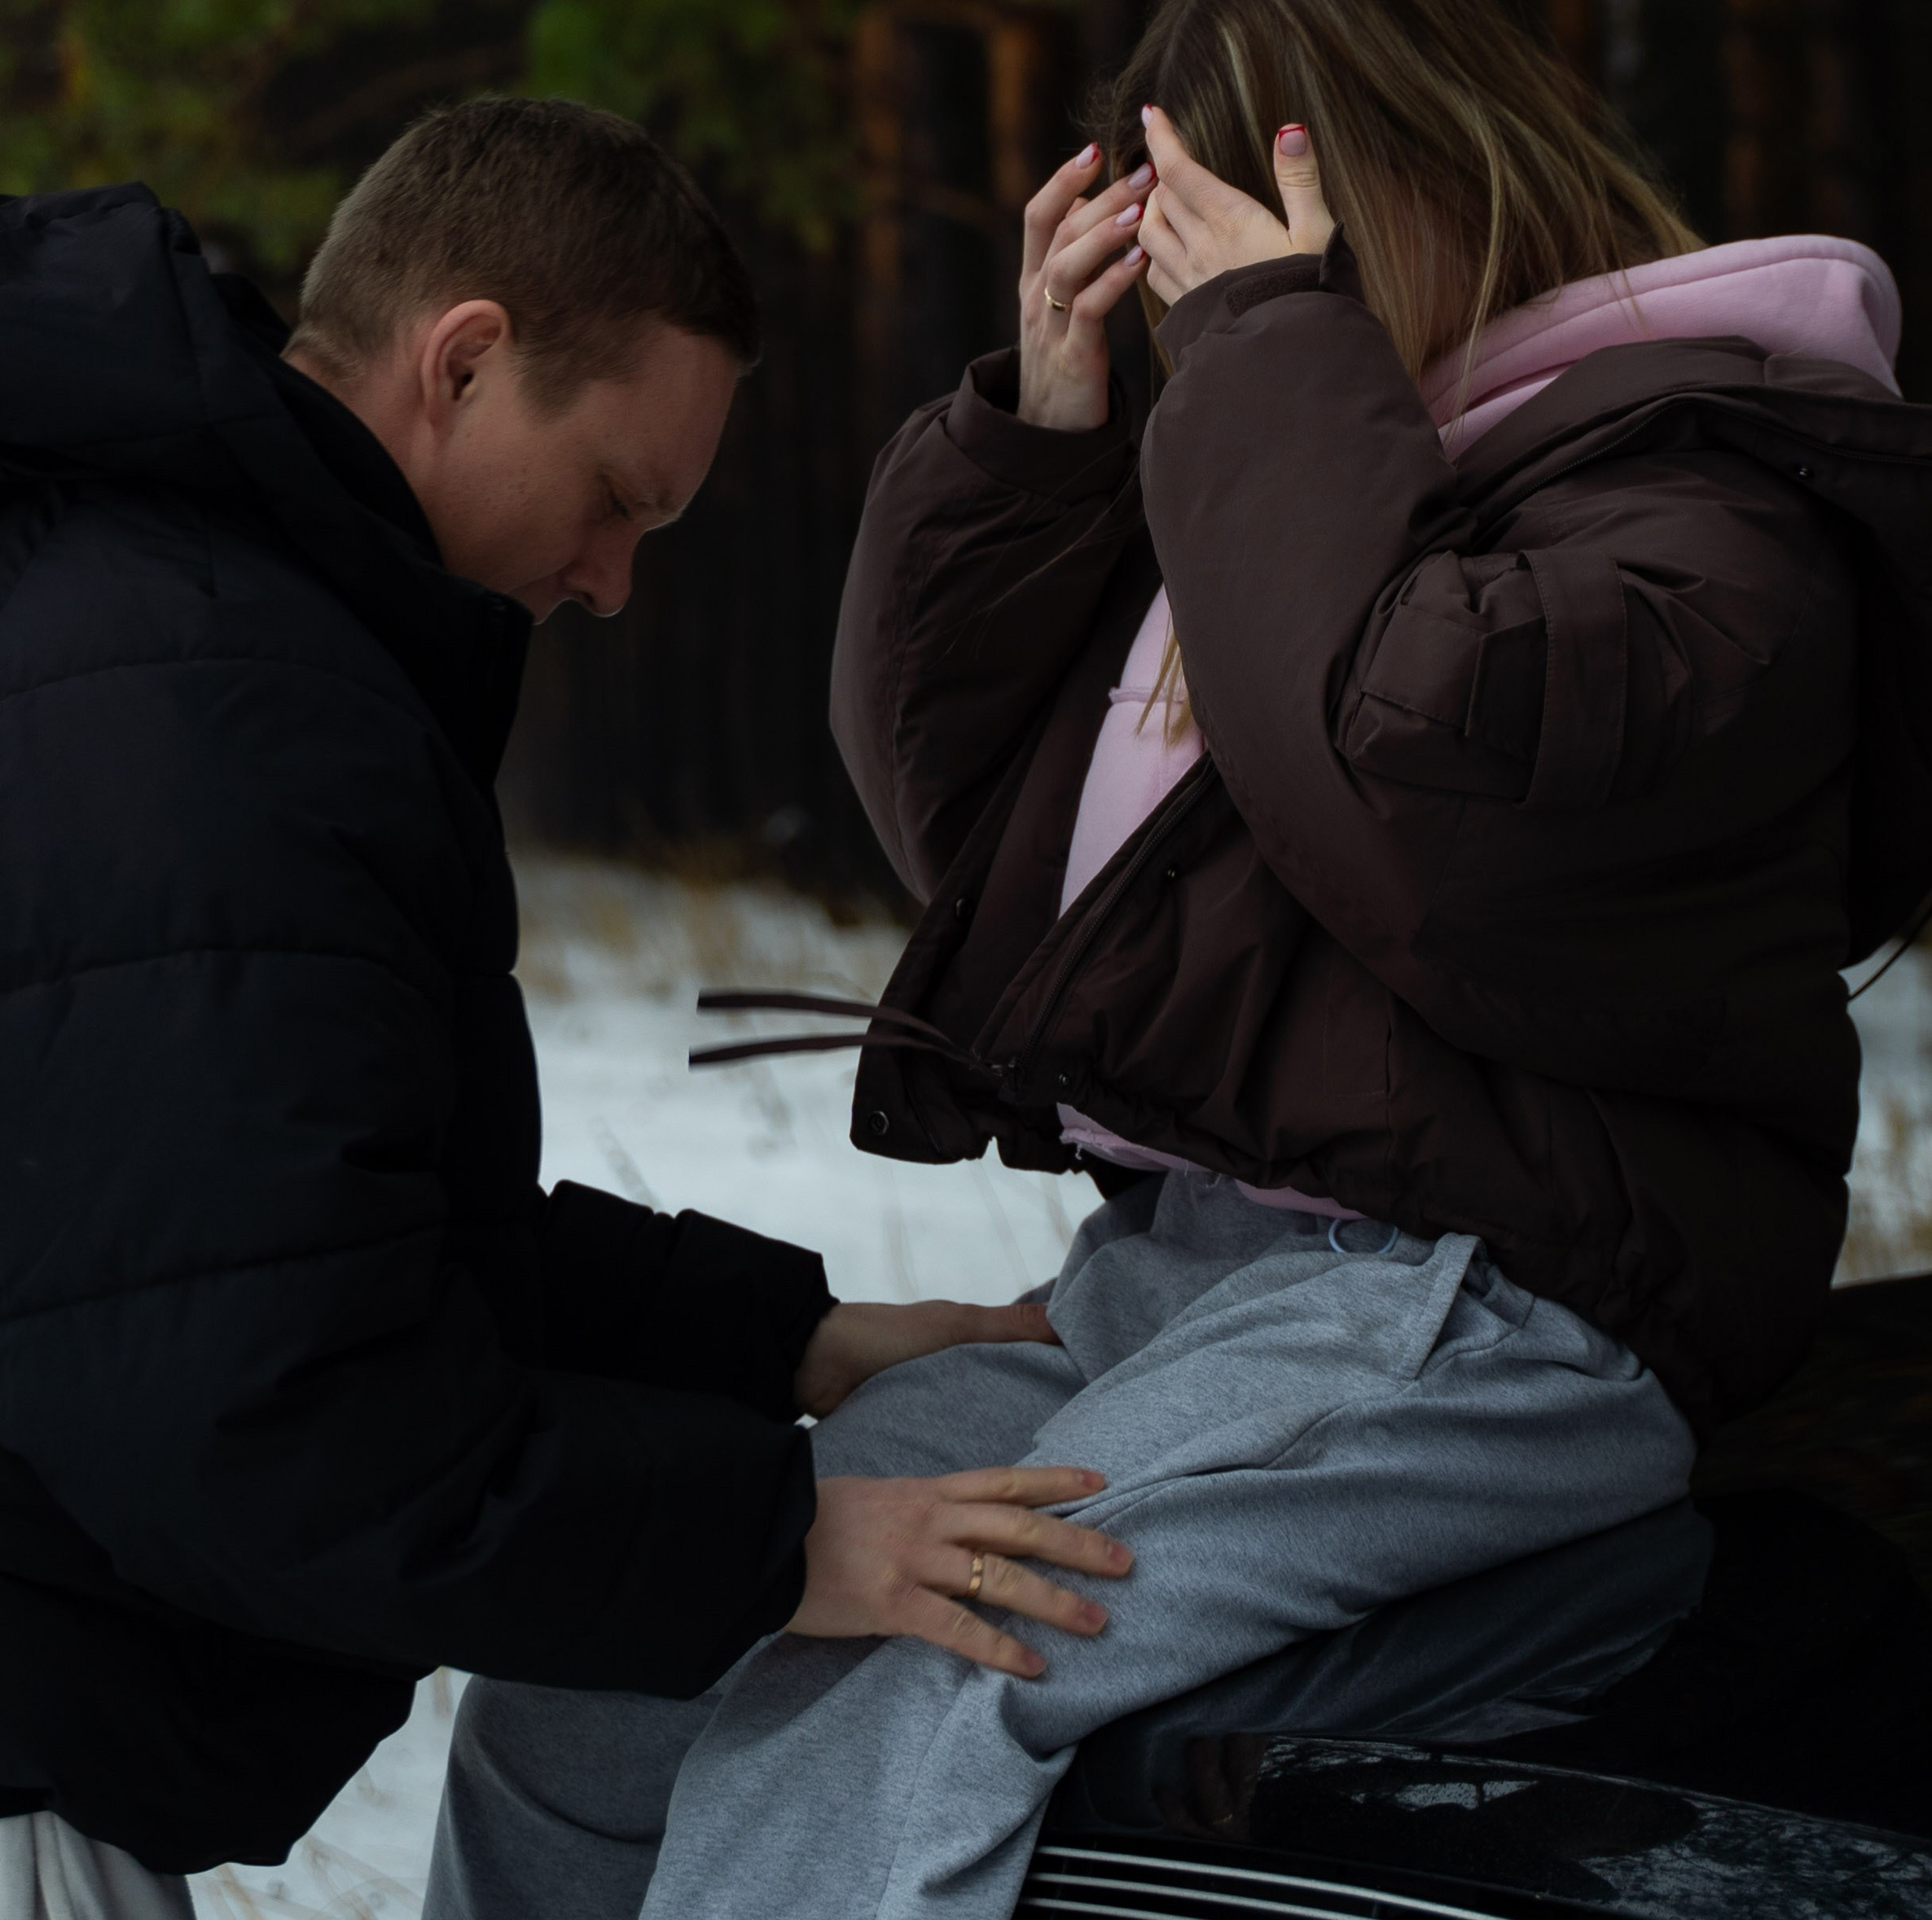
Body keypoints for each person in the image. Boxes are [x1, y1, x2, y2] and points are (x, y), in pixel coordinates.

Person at [431, 0, 1932, 1920]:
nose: (1209, 310)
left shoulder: (1692, 490)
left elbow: (1427, 818)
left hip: (1491, 1302)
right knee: (603, 1675)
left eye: (1251, 255)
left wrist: (1274, 363)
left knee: (917, 1677)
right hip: (1183, 1277)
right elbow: (964, 828)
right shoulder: (1302, 472)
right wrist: (1036, 438)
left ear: (1395, 181)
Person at [0, 99, 1130, 1920]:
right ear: (462, 360)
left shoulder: (161, 620)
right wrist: (787, 1546)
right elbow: (273, 1417)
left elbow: (277, 1237)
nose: (609, 584)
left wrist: (791, 1343)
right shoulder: (212, 714)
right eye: (617, 496)